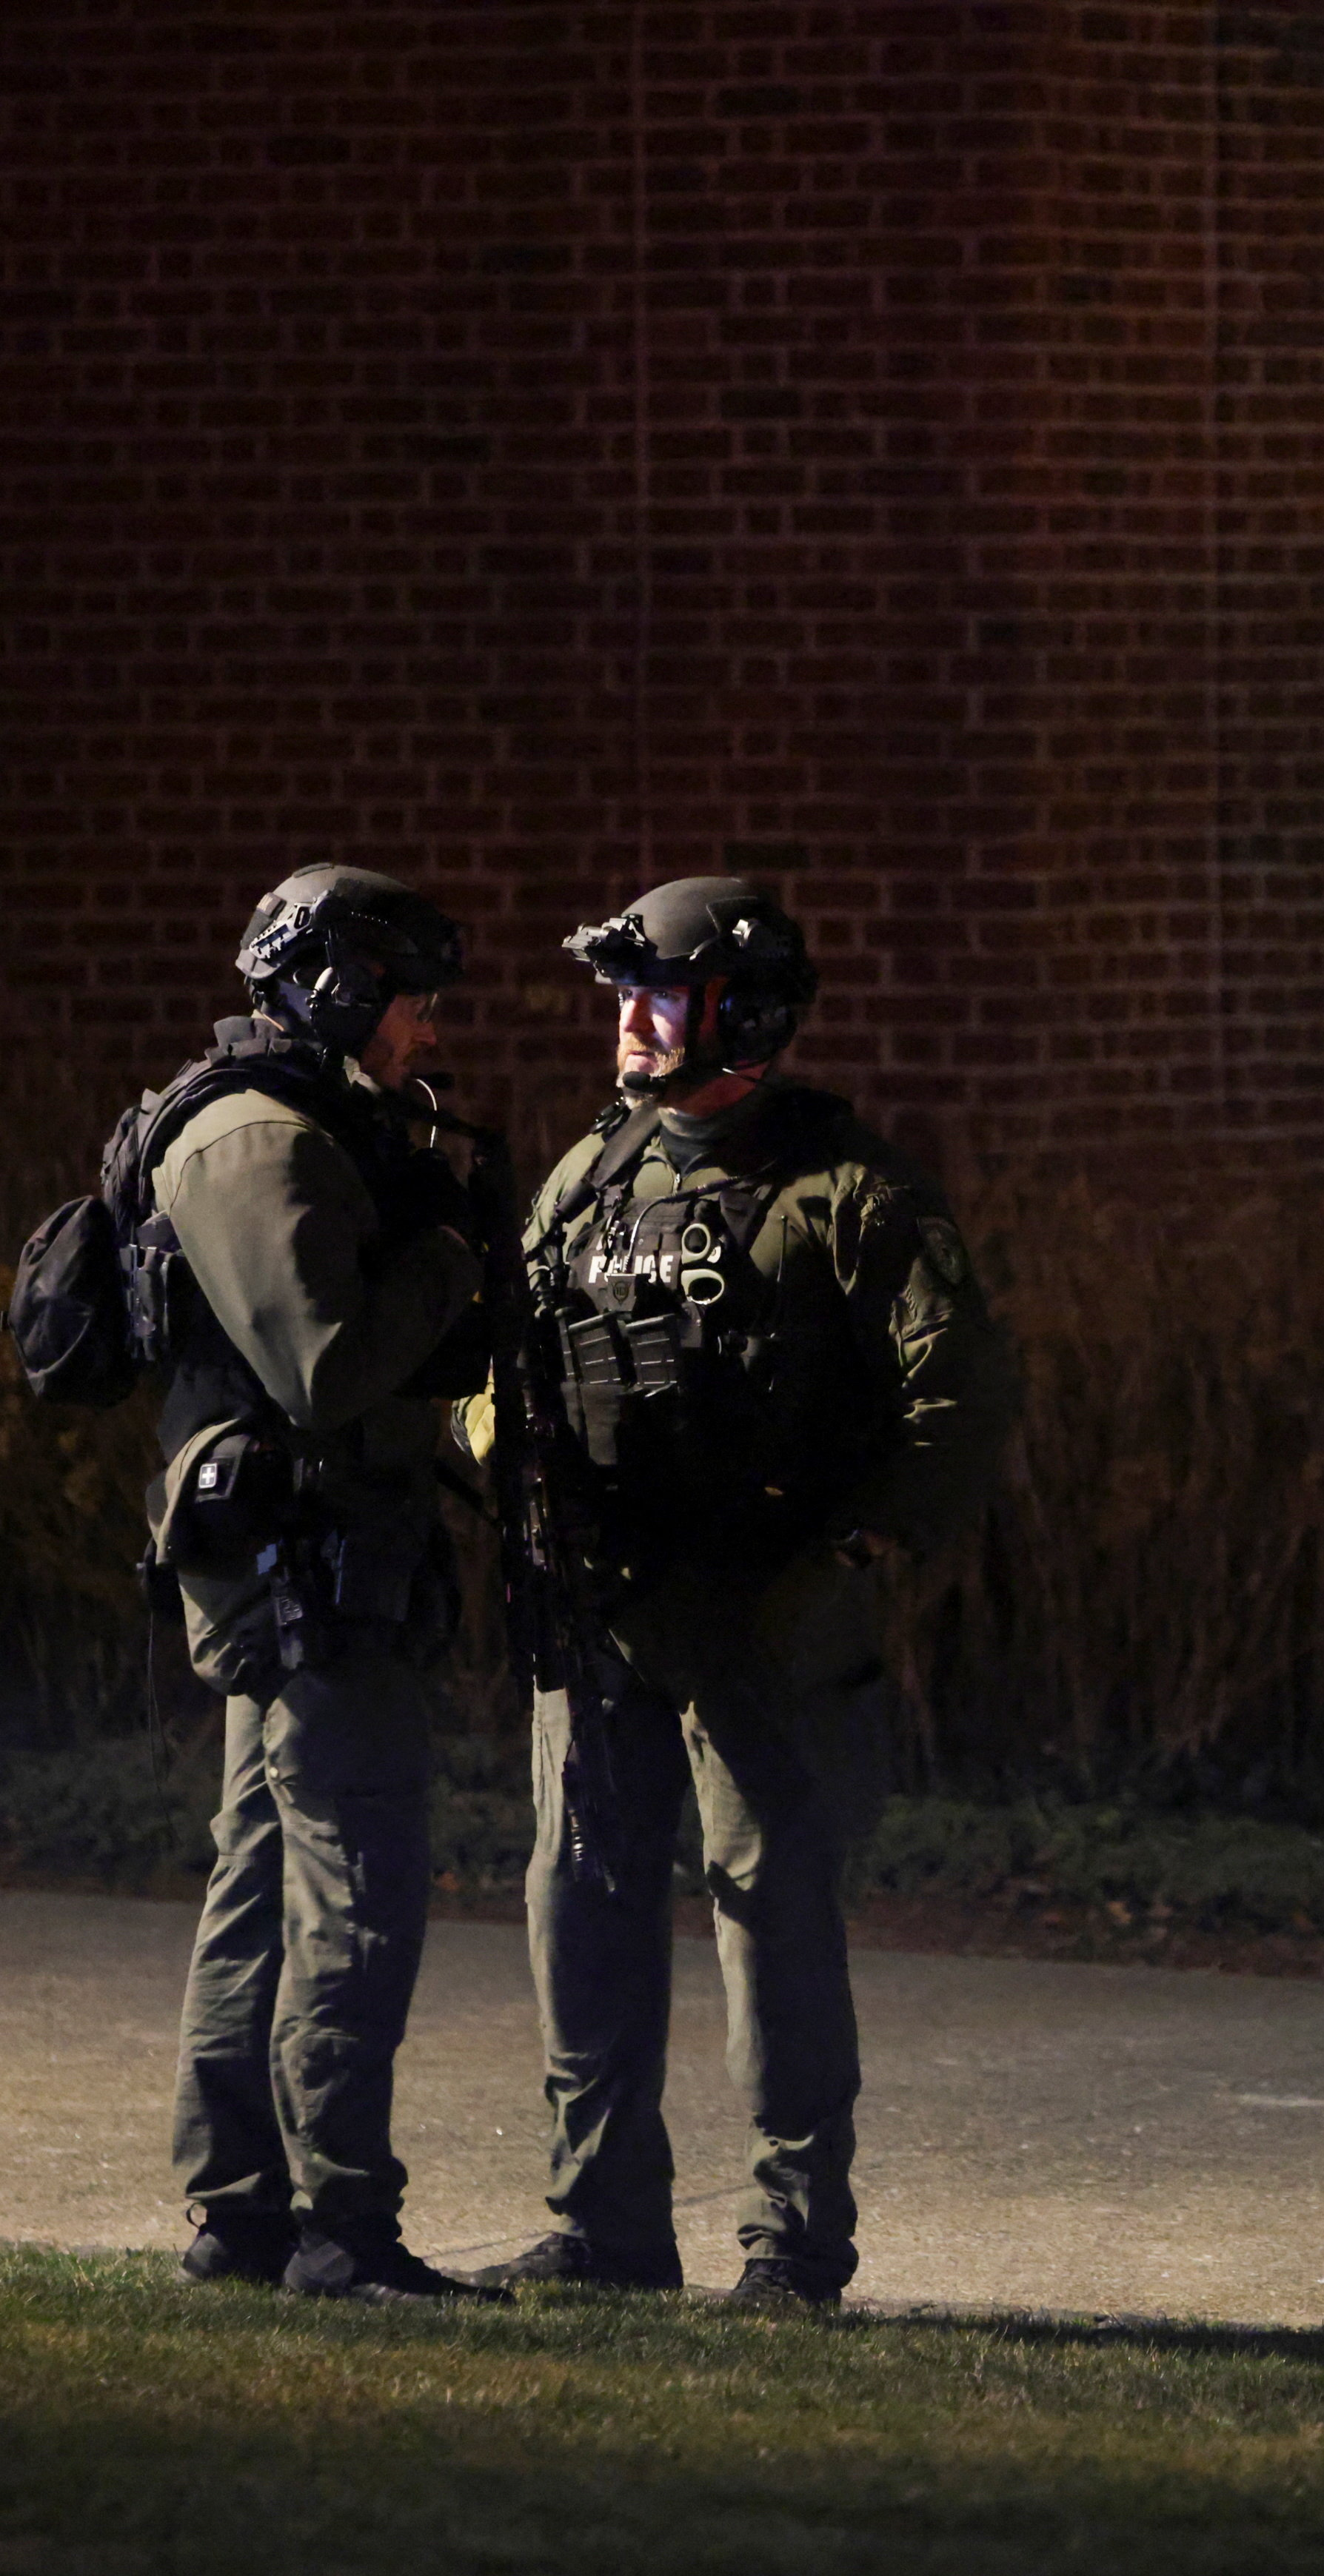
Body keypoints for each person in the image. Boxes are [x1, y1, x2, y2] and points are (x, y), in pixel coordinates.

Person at [469, 878, 1017, 2308]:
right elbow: (499, 1359)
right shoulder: (589, 1174)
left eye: (661, 994)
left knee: (771, 1921)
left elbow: (958, 1395)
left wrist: (858, 1552)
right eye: (626, 995)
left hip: (765, 1620)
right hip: (598, 1612)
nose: (631, 1022)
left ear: (746, 1014)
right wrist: (497, 1442)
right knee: (578, 1904)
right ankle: (604, 2227)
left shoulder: (847, 1191)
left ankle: (793, 2240)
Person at [145, 863, 501, 2304]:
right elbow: (326, 1367)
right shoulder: (255, 1140)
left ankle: (240, 2218)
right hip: (306, 1572)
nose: (429, 1030)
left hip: (313, 1562)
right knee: (357, 1890)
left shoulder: (305, 1122)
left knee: (260, 1880)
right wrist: (448, 1255)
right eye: (411, 1001)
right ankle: (341, 2227)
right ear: (339, 988)